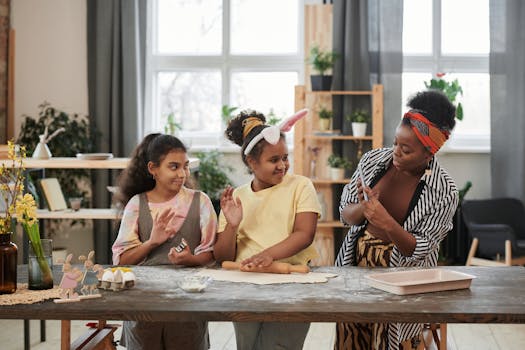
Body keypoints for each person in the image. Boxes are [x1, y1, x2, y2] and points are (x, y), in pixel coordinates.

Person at [335, 90, 459, 350]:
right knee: (353, 336)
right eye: (395, 143)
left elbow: (419, 249)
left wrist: (387, 222)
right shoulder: (372, 161)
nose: (396, 153)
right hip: (356, 268)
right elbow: (345, 215)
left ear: (429, 153)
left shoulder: (444, 190)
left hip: (405, 280)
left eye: (406, 149)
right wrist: (364, 208)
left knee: (392, 340)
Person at [214, 109, 321, 350]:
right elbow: (222, 256)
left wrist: (269, 255)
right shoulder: (237, 198)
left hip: (292, 283)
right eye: (274, 160)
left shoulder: (301, 186)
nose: (283, 165)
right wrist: (232, 225)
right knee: (247, 346)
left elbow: (304, 234)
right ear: (251, 162)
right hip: (245, 286)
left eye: (285, 157)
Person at [112, 133, 217, 350]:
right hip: (143, 307)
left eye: (185, 166)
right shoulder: (136, 204)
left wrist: (190, 259)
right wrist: (151, 242)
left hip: (188, 307)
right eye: (174, 167)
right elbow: (121, 261)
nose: (182, 173)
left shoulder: (201, 202)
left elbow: (211, 254)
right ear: (153, 169)